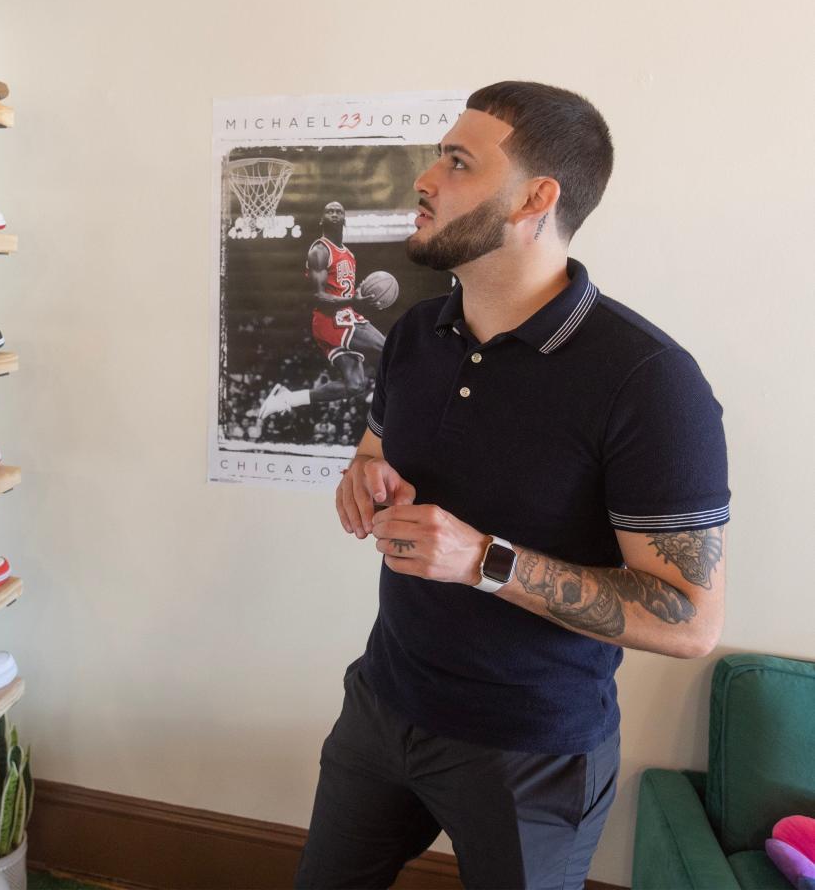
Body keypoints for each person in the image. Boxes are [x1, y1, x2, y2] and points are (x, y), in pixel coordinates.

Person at [294, 81, 730, 890]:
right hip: (383, 703)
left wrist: (484, 561)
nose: (425, 179)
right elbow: (374, 449)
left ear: (537, 197)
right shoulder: (420, 333)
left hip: (534, 750)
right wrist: (363, 478)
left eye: (457, 162)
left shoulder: (648, 380)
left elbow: (690, 618)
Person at [258, 202, 386, 420]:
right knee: (388, 347)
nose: (334, 214)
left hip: (343, 317)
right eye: (329, 211)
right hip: (331, 320)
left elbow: (341, 291)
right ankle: (395, 398)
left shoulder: (349, 255)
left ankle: (287, 399)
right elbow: (317, 296)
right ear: (321, 219)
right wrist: (353, 300)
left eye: (339, 211)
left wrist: (357, 295)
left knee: (355, 385)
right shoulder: (319, 250)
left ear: (345, 220)